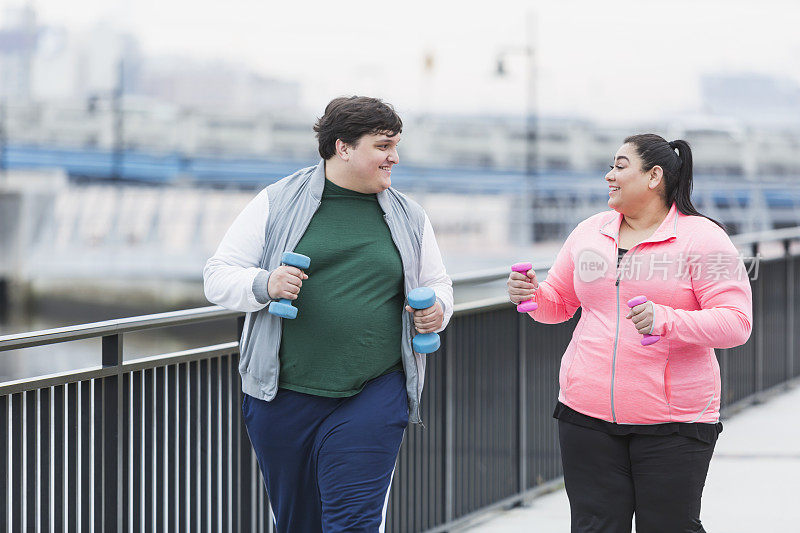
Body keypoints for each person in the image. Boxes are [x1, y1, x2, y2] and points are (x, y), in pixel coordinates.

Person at [204, 96, 453, 532]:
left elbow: (438, 284)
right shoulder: (277, 201)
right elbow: (217, 276)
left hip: (374, 389)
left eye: (395, 144)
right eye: (382, 145)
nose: (394, 156)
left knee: (353, 522)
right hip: (283, 395)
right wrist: (266, 284)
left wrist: (438, 310)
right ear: (343, 147)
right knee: (298, 522)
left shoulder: (410, 216)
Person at [508, 134, 752, 533]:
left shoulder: (703, 239)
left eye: (621, 166)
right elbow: (559, 304)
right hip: (585, 413)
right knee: (594, 527)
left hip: (674, 422)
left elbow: (736, 323)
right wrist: (532, 295)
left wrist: (666, 321)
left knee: (670, 527)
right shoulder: (590, 232)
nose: (609, 175)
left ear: (654, 176)